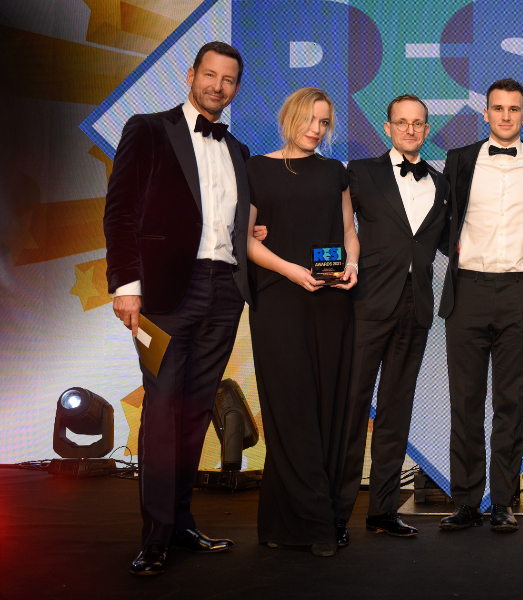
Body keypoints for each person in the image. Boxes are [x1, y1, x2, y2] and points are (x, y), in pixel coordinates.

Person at [104, 41, 252, 576]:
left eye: (228, 79)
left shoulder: (238, 149)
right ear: (191, 75)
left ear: (236, 87)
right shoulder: (147, 129)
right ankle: (156, 534)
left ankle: (183, 521)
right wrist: (126, 283)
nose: (217, 86)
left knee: (195, 410)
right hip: (164, 294)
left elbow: (231, 220)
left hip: (223, 291)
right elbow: (120, 212)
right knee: (163, 409)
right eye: (209, 75)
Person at [438, 78, 523, 532]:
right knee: (465, 401)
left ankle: (503, 501)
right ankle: (467, 501)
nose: (506, 116)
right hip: (467, 290)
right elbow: (437, 221)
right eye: (497, 108)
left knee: (512, 402)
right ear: (484, 114)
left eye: (514, 109)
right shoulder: (460, 160)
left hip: (519, 293)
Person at [245, 87, 359, 557]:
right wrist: (292, 271)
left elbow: (350, 232)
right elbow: (246, 241)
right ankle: (316, 524)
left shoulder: (336, 172)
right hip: (278, 300)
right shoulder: (255, 168)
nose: (316, 129)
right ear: (289, 117)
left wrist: (353, 266)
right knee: (290, 407)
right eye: (310, 120)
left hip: (332, 301)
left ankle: (285, 518)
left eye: (324, 122)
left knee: (326, 406)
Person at [335, 95, 448, 542]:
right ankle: (336, 515)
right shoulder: (360, 172)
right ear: (387, 128)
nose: (410, 129)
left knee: (396, 413)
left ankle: (382, 512)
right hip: (366, 307)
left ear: (426, 129)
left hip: (416, 308)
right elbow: (334, 225)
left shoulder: (440, 183)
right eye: (401, 122)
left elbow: (450, 241)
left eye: (418, 123)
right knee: (351, 412)